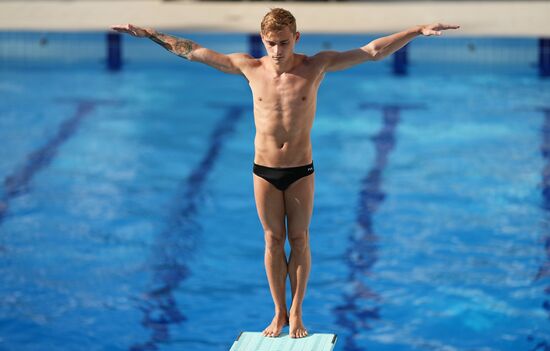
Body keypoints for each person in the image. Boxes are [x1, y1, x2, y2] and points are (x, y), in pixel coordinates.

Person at [111, 8, 459, 339]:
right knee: (273, 240)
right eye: (271, 43)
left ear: (296, 37)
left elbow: (371, 51)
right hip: (263, 170)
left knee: (301, 239)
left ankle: (297, 311)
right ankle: (278, 311)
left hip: (300, 169)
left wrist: (416, 31)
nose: (277, 51)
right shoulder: (247, 67)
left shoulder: (316, 65)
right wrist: (150, 34)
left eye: (284, 42)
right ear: (262, 40)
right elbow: (193, 51)